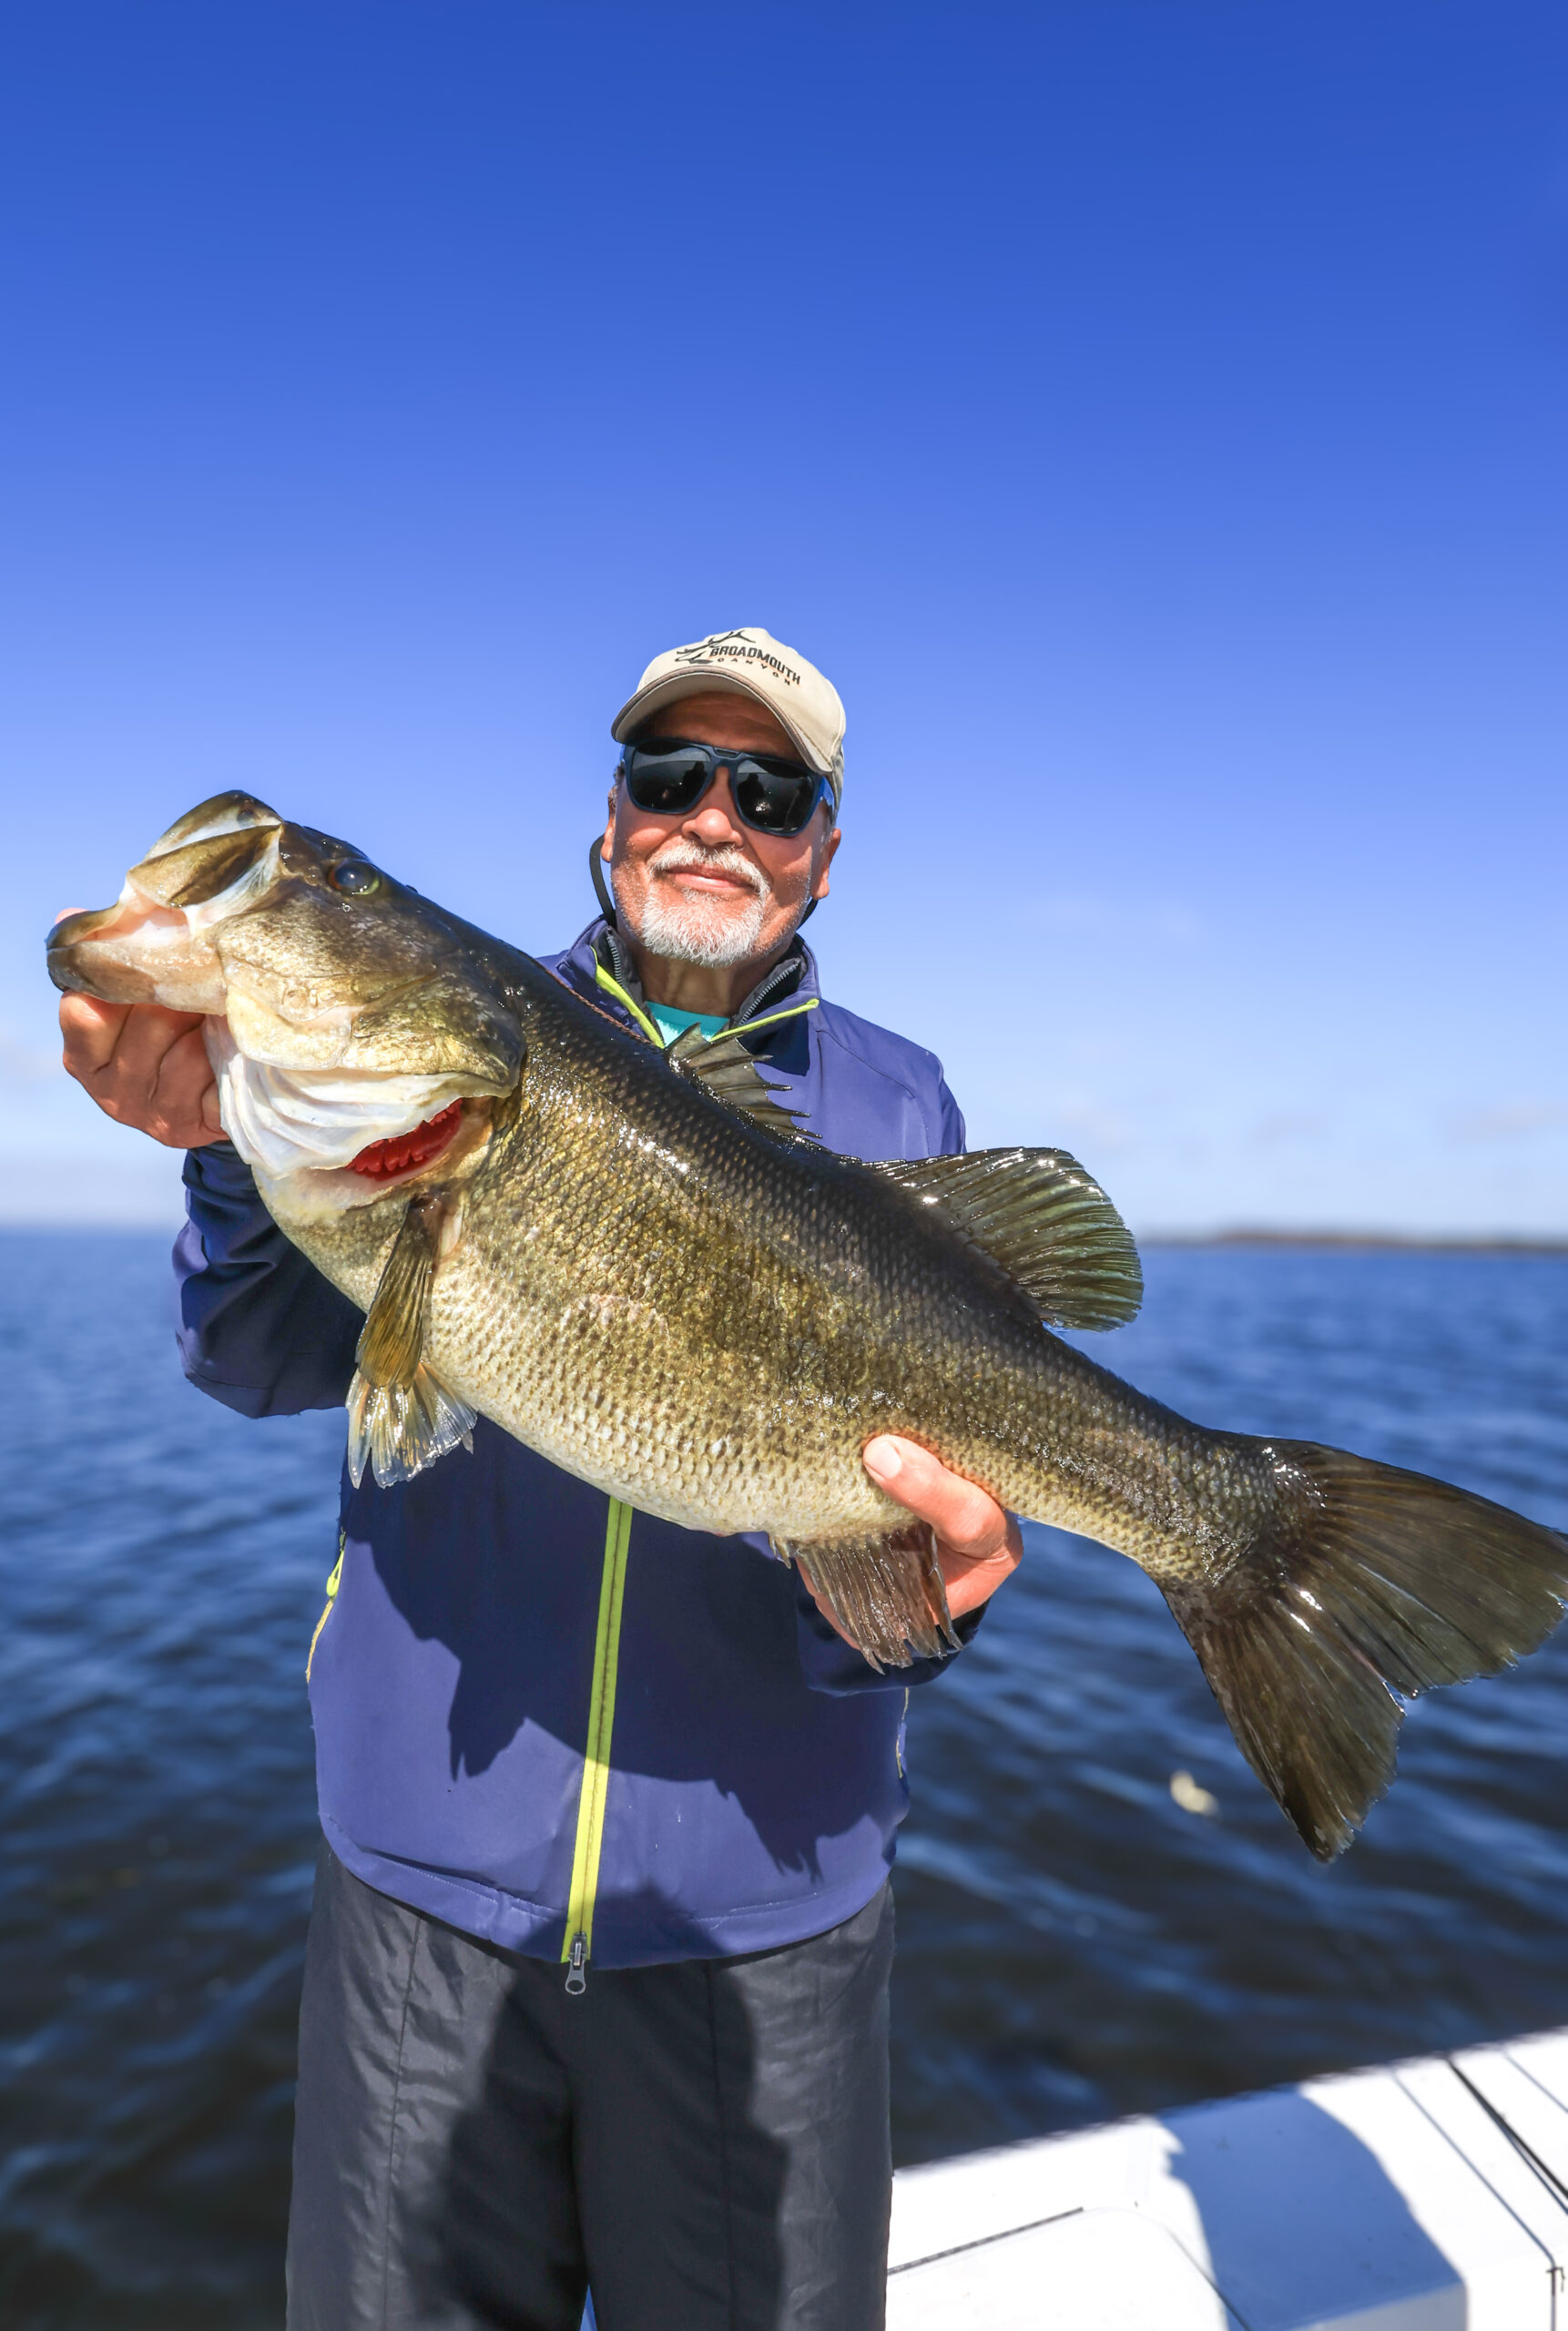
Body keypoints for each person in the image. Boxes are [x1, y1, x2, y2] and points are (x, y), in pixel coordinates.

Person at [59, 626, 1023, 2331]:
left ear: (821, 850)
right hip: (420, 1905)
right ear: (612, 816)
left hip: (765, 1933)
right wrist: (228, 1148)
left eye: (769, 792)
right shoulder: (462, 1047)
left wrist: (911, 1605)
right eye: (671, 775)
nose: (714, 816)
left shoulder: (903, 1103)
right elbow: (255, 1363)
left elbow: (902, 1546)